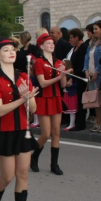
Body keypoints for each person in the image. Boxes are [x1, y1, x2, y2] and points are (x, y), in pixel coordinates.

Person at [0, 36, 39, 201]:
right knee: (7, 177)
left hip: (23, 130)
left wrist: (29, 99)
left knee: (23, 173)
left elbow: (33, 108)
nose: (11, 52)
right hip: (5, 132)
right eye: (6, 50)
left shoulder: (24, 76)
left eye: (13, 49)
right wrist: (21, 98)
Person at [30, 33, 69, 175]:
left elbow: (63, 85)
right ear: (41, 46)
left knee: (56, 133)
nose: (52, 45)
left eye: (53, 43)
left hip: (56, 97)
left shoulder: (59, 62)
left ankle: (54, 164)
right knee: (45, 134)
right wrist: (58, 76)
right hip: (44, 99)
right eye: (48, 43)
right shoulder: (39, 62)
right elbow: (42, 83)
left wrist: (63, 76)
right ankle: (34, 156)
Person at [83, 20, 101, 133]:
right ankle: (98, 122)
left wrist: (97, 72)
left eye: (96, 29)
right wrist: (86, 70)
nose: (94, 31)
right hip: (90, 74)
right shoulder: (92, 43)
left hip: (100, 75)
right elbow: (87, 57)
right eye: (93, 29)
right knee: (95, 100)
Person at [68, 28, 89, 131]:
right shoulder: (75, 48)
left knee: (82, 101)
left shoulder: (83, 47)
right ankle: (77, 121)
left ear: (77, 37)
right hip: (75, 76)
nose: (70, 40)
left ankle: (81, 123)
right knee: (77, 100)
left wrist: (73, 73)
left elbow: (81, 64)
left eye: (71, 37)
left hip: (81, 77)